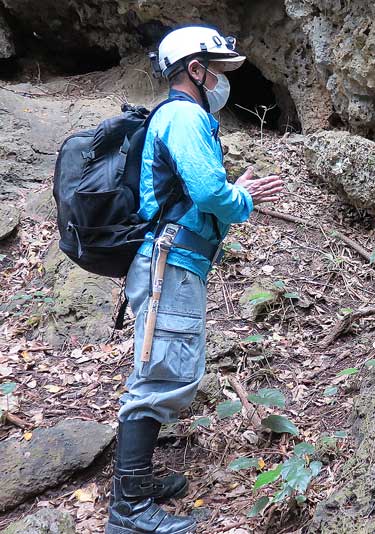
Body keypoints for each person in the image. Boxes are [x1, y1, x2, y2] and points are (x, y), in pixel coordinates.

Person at [106, 26, 283, 534]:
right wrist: (240, 199)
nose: (225, 81)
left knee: (160, 367)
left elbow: (198, 190)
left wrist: (232, 190)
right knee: (164, 374)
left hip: (172, 259)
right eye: (219, 70)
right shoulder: (184, 115)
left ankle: (136, 484)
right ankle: (129, 511)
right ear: (195, 70)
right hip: (170, 261)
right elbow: (207, 191)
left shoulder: (179, 117)